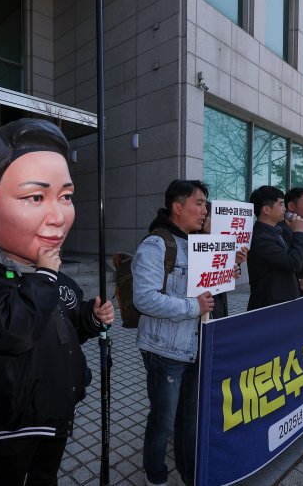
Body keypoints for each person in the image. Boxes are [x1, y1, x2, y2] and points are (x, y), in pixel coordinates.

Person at [0, 118, 114, 486]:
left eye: (65, 197)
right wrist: (45, 276)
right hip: (12, 421)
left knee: (46, 477)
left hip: (58, 411)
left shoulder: (56, 279)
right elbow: (15, 331)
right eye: (34, 197)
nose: (59, 218)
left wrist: (91, 321)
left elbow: (69, 329)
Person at [132, 179, 212, 486]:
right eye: (199, 203)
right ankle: (156, 476)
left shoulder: (197, 242)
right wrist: (194, 306)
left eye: (205, 204)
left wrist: (228, 269)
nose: (205, 210)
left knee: (188, 419)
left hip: (194, 346)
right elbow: (145, 299)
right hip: (164, 350)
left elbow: (208, 291)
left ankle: (189, 472)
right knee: (163, 422)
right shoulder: (156, 245)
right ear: (177, 207)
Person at [246, 185, 303, 310]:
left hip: (282, 301)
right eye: (281, 204)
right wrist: (300, 233)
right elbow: (293, 263)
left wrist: (299, 282)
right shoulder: (261, 237)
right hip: (270, 306)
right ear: (266, 209)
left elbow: (283, 267)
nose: (284, 209)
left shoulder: (275, 232)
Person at [200, 201, 248, 318]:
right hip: (202, 308)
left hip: (219, 303)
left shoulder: (220, 241)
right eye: (212, 217)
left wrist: (236, 263)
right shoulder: (194, 242)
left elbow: (226, 274)